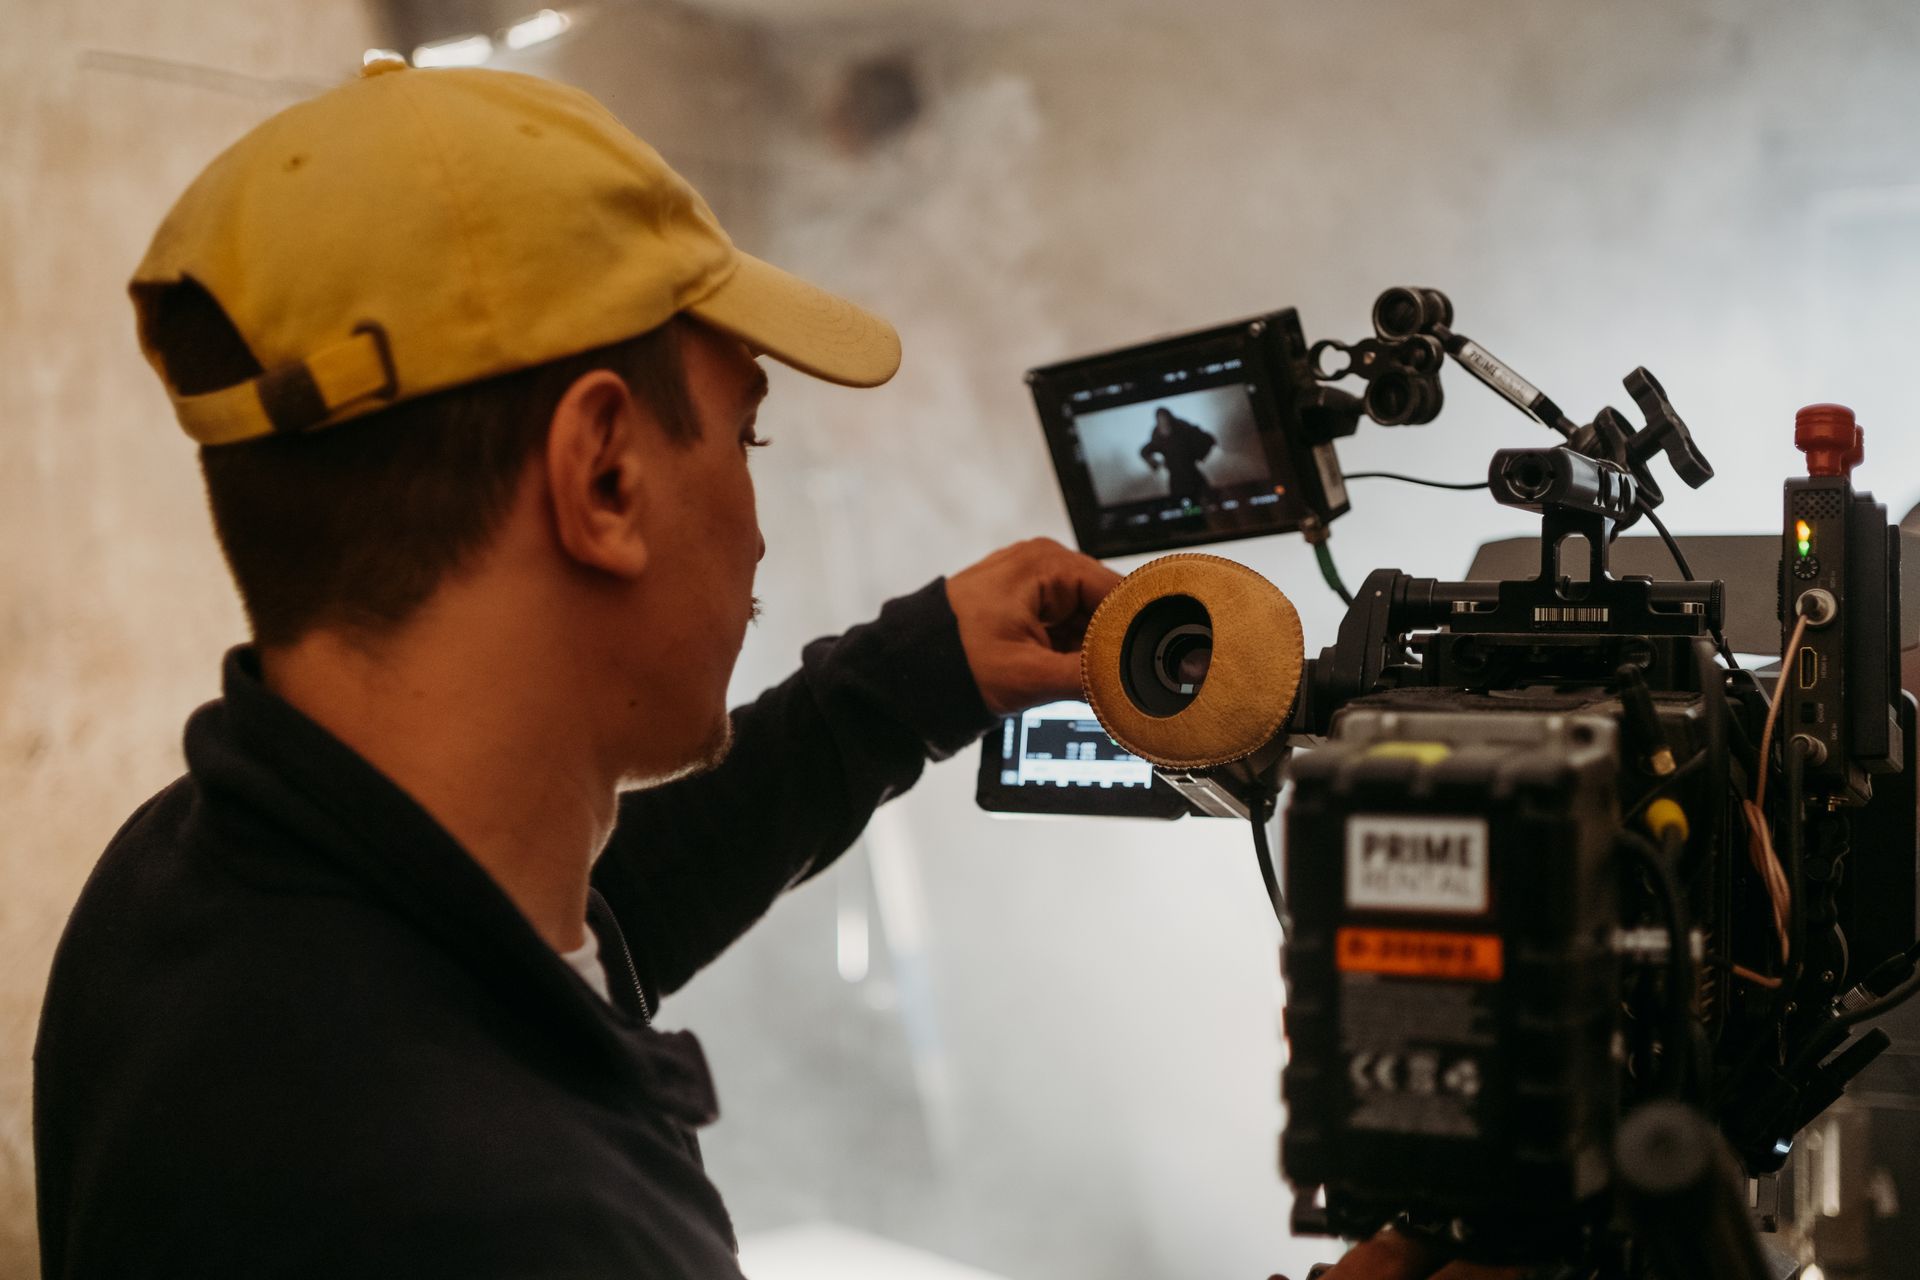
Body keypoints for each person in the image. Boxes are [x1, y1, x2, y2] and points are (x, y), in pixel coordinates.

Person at [33, 60, 1485, 1280]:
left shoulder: (186, 893)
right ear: (603, 478)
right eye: (747, 435)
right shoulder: (522, 1218)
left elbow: (592, 924)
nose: (754, 507)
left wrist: (904, 683)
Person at [1140, 404, 1218, 504]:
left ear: (1169, 417)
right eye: (1160, 418)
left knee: (1206, 502)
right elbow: (1145, 451)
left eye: (1164, 417)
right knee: (1182, 506)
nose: (1163, 421)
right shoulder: (1157, 435)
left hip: (1191, 473)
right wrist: (1155, 463)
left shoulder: (1181, 427)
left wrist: (1197, 454)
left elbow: (1205, 438)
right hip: (1175, 478)